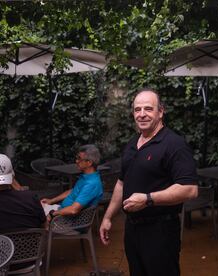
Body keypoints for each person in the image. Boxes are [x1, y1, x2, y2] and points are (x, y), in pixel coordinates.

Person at [99, 89, 198, 276]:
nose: (142, 114)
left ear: (161, 112)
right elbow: (121, 184)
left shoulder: (174, 144)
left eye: (148, 109)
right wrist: (107, 217)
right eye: (137, 110)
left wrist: (148, 199)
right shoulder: (132, 143)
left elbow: (190, 190)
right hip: (133, 229)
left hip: (161, 230)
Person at [41, 144, 103, 218]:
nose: (76, 161)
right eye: (77, 158)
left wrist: (52, 214)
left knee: (30, 211)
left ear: (89, 163)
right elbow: (72, 191)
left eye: (79, 159)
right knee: (35, 205)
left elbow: (73, 210)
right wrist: (51, 201)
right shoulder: (87, 177)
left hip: (65, 220)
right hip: (61, 211)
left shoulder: (91, 184)